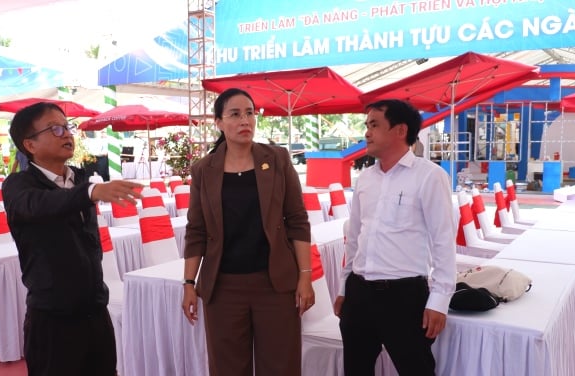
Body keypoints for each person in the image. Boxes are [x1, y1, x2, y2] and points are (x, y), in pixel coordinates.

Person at [2, 102, 143, 376]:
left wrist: (88, 189)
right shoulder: (19, 185)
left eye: (67, 127)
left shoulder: (79, 178)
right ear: (29, 145)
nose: (67, 134)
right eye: (55, 128)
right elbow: (39, 204)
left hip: (95, 312)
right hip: (53, 319)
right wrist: (91, 192)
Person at [181, 88, 314, 376]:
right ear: (218, 122)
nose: (245, 120)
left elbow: (297, 220)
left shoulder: (277, 159)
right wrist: (189, 282)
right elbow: (196, 231)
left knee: (281, 366)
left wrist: (305, 277)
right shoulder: (204, 170)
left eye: (250, 113)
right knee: (227, 368)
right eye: (235, 114)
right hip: (223, 287)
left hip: (276, 284)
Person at [333, 99, 456, 375]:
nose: (367, 133)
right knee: (356, 370)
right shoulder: (365, 178)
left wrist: (439, 301)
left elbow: (443, 241)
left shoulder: (429, 176)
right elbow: (354, 237)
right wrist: (344, 287)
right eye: (367, 125)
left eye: (374, 125)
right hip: (359, 294)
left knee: (416, 369)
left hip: (404, 297)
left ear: (400, 131)